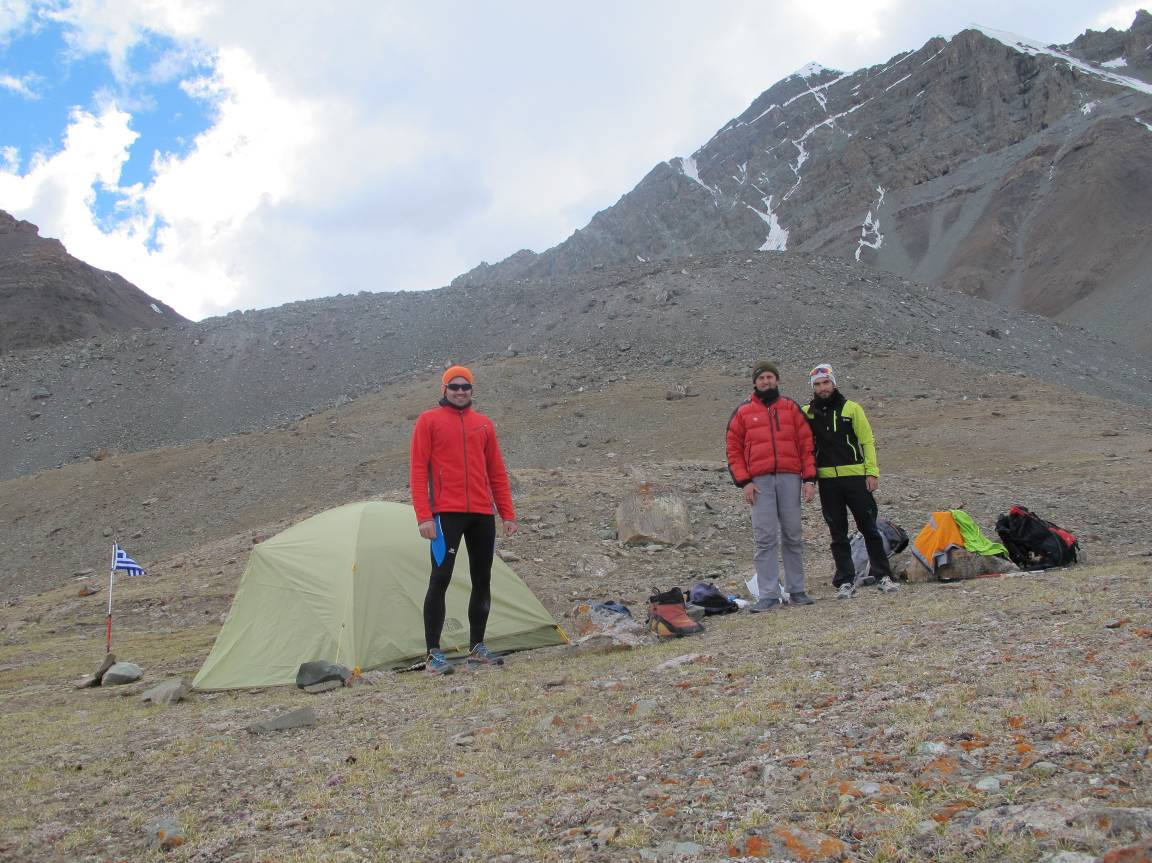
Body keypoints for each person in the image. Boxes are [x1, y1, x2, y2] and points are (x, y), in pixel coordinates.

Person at [410, 365, 518, 675]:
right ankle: (433, 653)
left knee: (482, 579)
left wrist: (507, 513)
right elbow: (418, 471)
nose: (460, 391)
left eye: (466, 386)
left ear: (472, 390)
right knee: (440, 578)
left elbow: (496, 471)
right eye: (454, 386)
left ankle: (477, 648)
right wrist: (424, 516)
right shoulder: (428, 421)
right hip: (446, 514)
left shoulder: (483, 425)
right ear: (443, 389)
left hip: (482, 514)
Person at [725, 361, 817, 612]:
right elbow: (733, 450)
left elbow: (806, 445)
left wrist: (809, 479)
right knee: (764, 538)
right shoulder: (743, 412)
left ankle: (796, 590)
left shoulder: (790, 408)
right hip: (760, 483)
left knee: (792, 535)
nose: (766, 381)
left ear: (777, 380)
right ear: (755, 382)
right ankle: (768, 594)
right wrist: (744, 482)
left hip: (790, 477)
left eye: (770, 377)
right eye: (761, 378)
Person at [801, 363, 897, 598]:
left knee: (869, 528)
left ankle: (883, 575)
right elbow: (804, 448)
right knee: (837, 533)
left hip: (856, 478)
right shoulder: (806, 413)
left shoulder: (852, 409)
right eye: (818, 384)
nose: (823, 387)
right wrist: (809, 480)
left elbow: (867, 441)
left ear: (834, 383)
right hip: (828, 482)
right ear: (813, 387)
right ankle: (845, 580)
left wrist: (872, 472)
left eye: (826, 382)